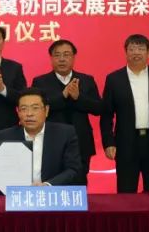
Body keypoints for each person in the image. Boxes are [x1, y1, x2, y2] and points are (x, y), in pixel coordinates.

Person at [99, 34, 149, 200]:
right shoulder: (114, 79)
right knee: (126, 193)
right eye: (132, 49)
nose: (136, 52)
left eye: (141, 49)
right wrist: (109, 143)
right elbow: (106, 115)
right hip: (126, 144)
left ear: (148, 53)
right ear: (126, 52)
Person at [31, 39, 102, 184]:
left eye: (66, 54)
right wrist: (63, 96)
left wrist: (78, 98)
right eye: (57, 55)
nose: (62, 59)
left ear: (74, 57)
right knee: (51, 183)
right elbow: (37, 108)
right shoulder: (40, 82)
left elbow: (98, 108)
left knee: (79, 183)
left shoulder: (86, 80)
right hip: (51, 141)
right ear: (51, 58)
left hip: (81, 141)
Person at [0, 87, 83, 186]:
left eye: (35, 108)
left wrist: (47, 185)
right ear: (18, 112)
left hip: (51, 192)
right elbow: (1, 171)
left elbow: (73, 169)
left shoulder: (65, 133)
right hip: (19, 192)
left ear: (46, 110)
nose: (29, 114)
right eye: (24, 109)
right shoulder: (6, 136)